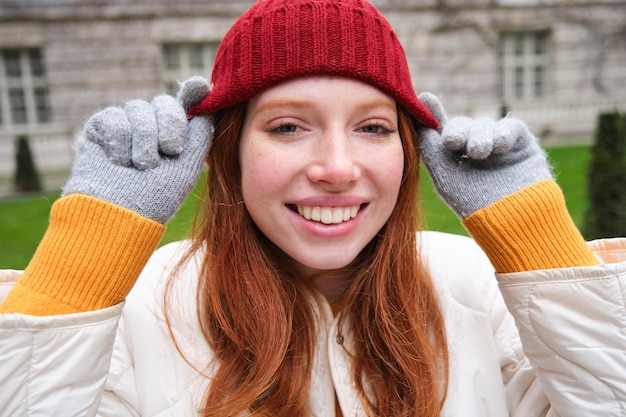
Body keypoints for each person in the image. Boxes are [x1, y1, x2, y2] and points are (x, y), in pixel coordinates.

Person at [0, 0, 625, 416]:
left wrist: (535, 241)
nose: (336, 167)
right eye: (289, 127)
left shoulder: (476, 283)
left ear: (410, 150)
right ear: (228, 151)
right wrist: (90, 251)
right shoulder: (141, 304)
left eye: (374, 128)